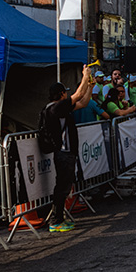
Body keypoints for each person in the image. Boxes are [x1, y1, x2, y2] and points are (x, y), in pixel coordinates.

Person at [46, 65, 92, 232]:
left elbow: (84, 102)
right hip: (63, 152)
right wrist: (85, 76)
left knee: (65, 186)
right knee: (62, 186)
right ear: (61, 94)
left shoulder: (62, 108)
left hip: (68, 152)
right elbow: (78, 95)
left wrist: (90, 86)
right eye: (65, 92)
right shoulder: (54, 108)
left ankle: (59, 218)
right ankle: (55, 220)